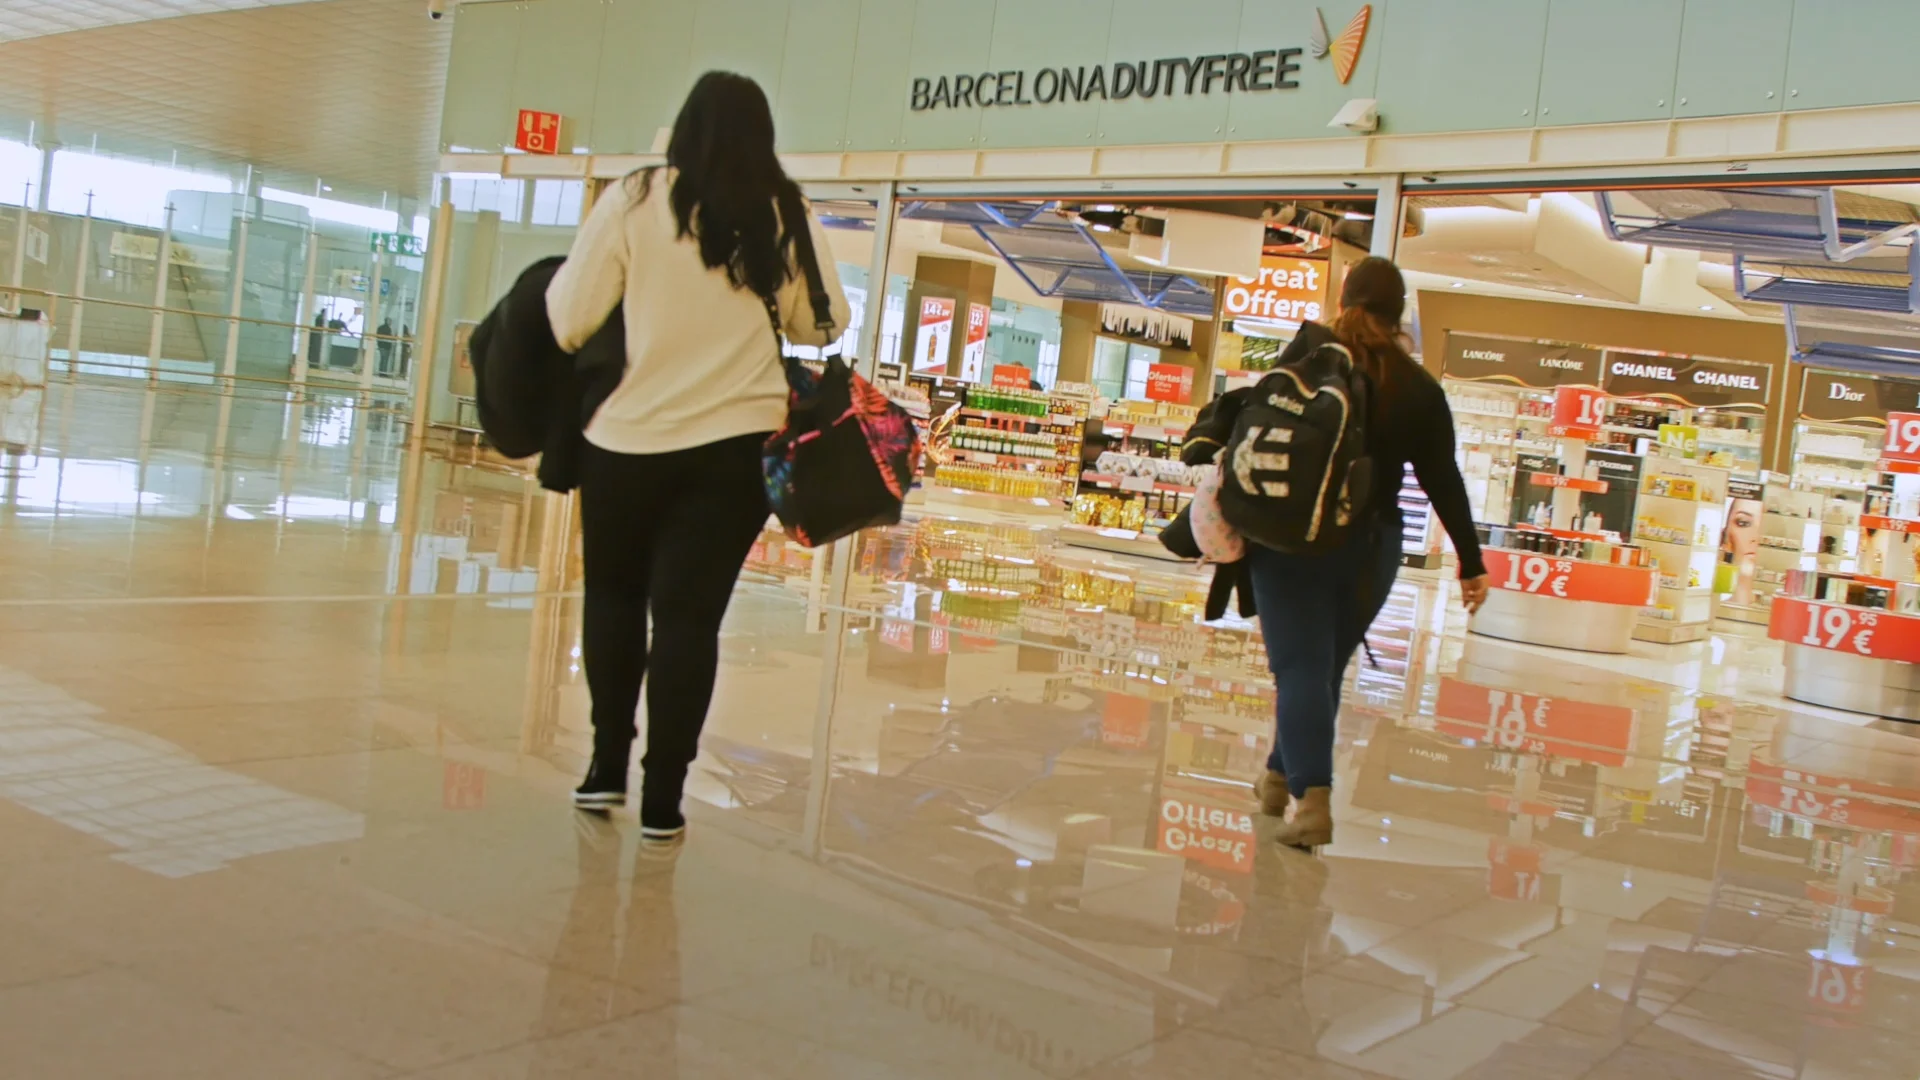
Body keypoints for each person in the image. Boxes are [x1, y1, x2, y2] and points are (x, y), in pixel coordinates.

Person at [545, 71, 849, 842]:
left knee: (613, 599)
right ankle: (663, 800)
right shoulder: (781, 210)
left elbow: (569, 318)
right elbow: (823, 324)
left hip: (624, 440)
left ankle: (603, 768)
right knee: (687, 622)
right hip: (733, 452)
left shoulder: (633, 199)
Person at [1245, 257, 1489, 849]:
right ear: (1399, 313)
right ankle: (1279, 778)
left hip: (1290, 539)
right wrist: (1471, 560)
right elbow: (1442, 479)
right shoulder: (1417, 387)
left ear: (1344, 301)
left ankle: (1313, 803)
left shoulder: (1305, 362)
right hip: (1372, 543)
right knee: (1322, 668)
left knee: (1300, 667)